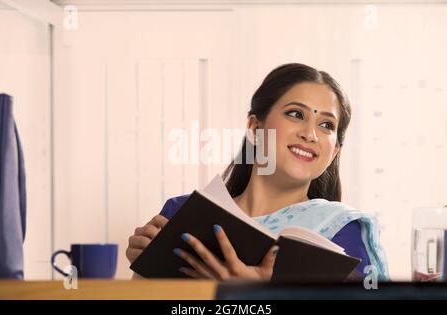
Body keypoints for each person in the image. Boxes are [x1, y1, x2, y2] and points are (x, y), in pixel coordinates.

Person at [126, 63, 389, 281]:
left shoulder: (343, 232)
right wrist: (146, 266)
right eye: (296, 114)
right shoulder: (182, 213)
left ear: (334, 151)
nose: (310, 134)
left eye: (326, 125)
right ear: (254, 127)